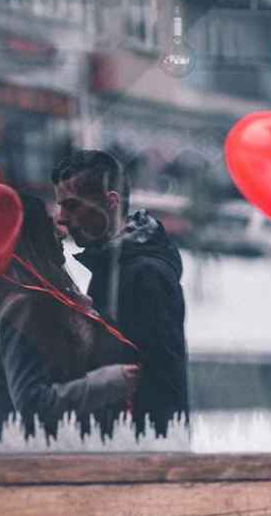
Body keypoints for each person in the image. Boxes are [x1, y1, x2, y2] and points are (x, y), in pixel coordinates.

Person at [0, 193, 139, 442]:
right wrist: (111, 381)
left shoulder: (32, 296)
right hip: (38, 462)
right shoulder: (24, 305)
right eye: (50, 226)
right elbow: (32, 404)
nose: (61, 233)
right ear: (31, 236)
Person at [52, 150, 189, 437]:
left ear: (110, 202)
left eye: (72, 206)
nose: (62, 218)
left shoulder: (144, 274)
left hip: (139, 456)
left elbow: (160, 382)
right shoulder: (112, 267)